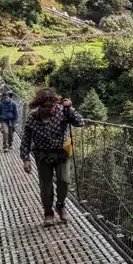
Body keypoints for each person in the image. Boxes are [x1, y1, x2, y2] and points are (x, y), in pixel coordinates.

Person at [20, 87, 85, 227]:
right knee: (46, 186)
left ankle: (61, 205)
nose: (49, 109)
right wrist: (26, 159)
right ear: (39, 105)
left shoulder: (63, 112)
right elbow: (26, 139)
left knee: (64, 181)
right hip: (42, 155)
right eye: (46, 106)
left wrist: (70, 109)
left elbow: (80, 122)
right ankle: (48, 212)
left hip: (62, 154)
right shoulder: (33, 117)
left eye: (52, 105)